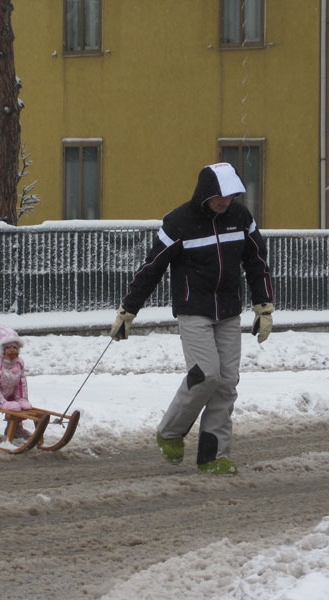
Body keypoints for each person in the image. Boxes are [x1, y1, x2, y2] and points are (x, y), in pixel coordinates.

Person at [110, 162, 275, 475]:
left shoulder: (241, 219)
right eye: (220, 197)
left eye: (231, 197)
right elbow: (152, 267)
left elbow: (257, 262)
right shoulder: (179, 222)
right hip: (193, 309)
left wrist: (263, 305)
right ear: (206, 193)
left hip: (228, 310)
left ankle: (214, 455)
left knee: (227, 382)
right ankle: (170, 432)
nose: (225, 203)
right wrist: (129, 310)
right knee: (206, 374)